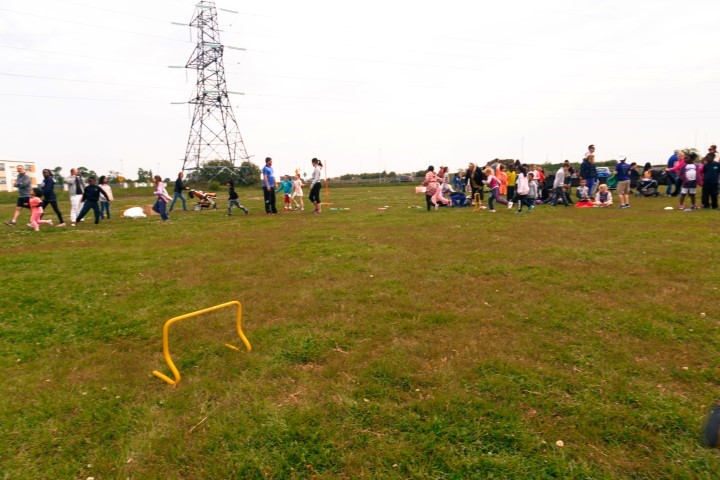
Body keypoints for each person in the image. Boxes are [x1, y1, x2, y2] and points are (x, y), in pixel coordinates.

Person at [702, 145, 719, 209]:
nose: (707, 158)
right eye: (707, 157)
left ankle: (714, 205)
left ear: (713, 157)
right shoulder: (706, 165)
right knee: (705, 194)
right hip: (706, 182)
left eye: (708, 157)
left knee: (714, 194)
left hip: (714, 182)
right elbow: (704, 172)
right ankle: (706, 205)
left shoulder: (717, 165)